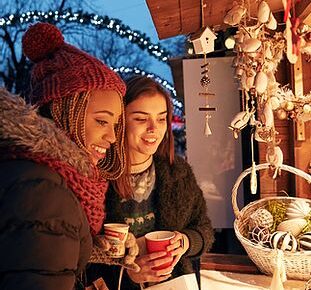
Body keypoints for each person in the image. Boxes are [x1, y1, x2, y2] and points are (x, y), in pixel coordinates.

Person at [0, 22, 128, 290]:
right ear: (64, 113)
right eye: (102, 121)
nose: (113, 137)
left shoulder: (47, 174)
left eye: (115, 125)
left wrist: (94, 250)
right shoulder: (44, 190)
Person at [86, 75, 214, 289]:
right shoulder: (96, 177)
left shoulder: (177, 172)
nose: (154, 128)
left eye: (162, 118)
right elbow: (81, 256)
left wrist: (185, 242)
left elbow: (204, 229)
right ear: (120, 121)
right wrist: (129, 274)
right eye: (141, 118)